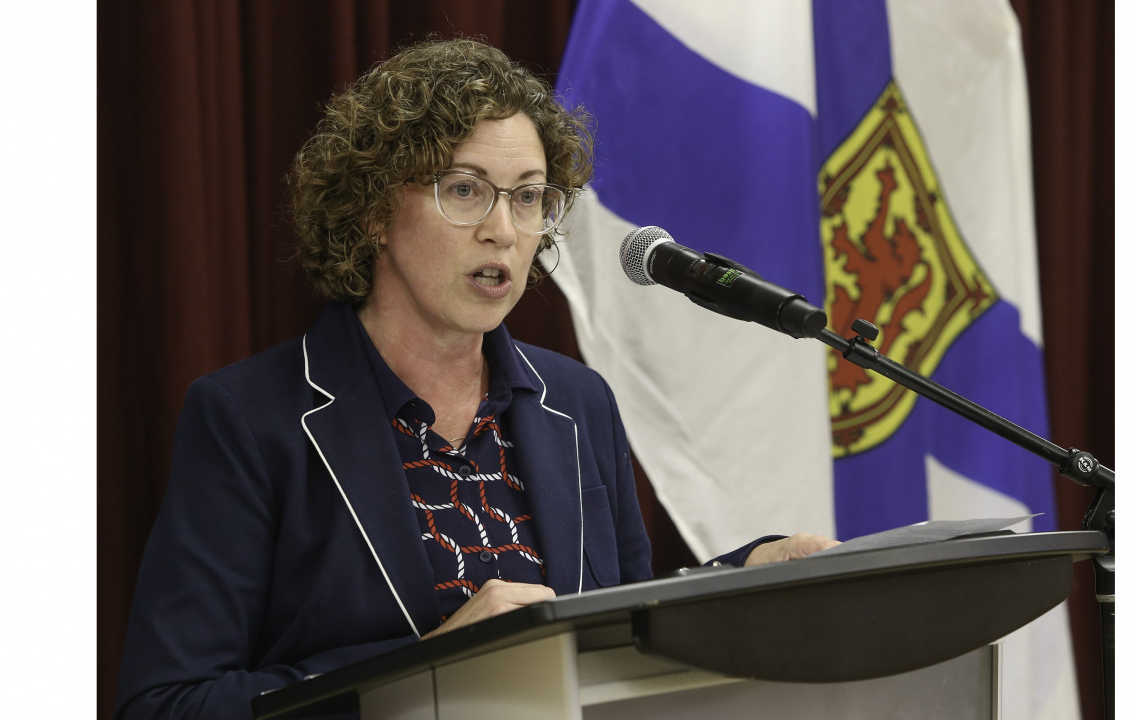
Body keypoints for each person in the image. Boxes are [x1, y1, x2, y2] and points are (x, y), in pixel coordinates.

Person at [114, 38, 838, 720]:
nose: (505, 229)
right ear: (372, 211)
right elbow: (166, 704)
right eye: (465, 190)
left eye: (528, 197)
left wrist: (744, 578)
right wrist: (431, 665)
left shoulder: (577, 403)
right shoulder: (251, 418)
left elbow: (616, 632)